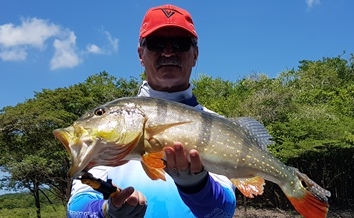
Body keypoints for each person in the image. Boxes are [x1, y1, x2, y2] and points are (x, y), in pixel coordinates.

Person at [66, 4, 237, 218]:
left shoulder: (220, 127)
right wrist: (106, 212)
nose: (167, 52)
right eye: (156, 44)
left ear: (195, 54)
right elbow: (76, 207)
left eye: (180, 43)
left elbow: (223, 211)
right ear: (141, 54)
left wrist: (197, 185)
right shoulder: (112, 124)